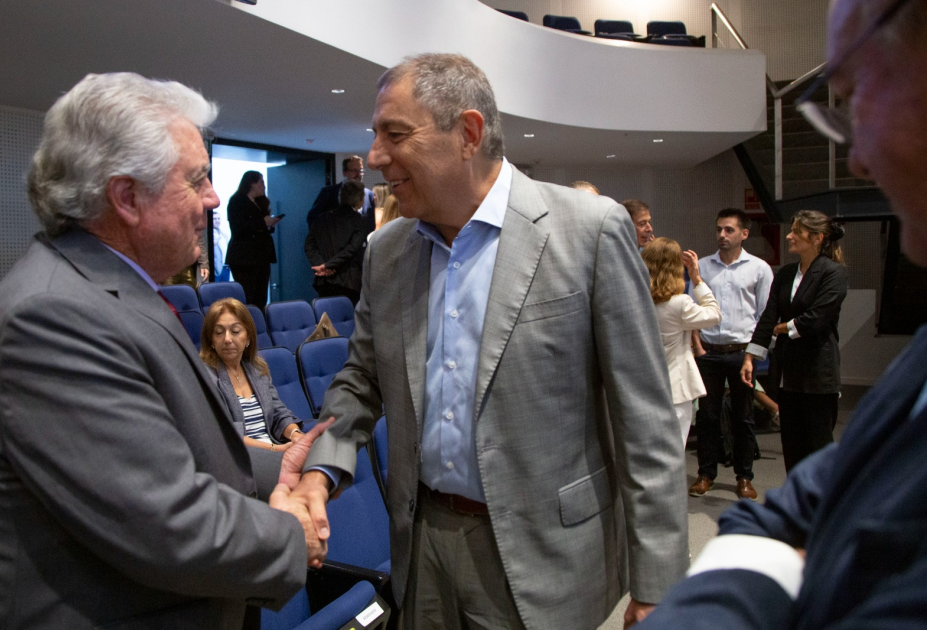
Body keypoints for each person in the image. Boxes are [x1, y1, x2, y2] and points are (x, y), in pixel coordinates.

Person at [293, 53, 688, 630]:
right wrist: (319, 470)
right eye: (375, 136)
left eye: (394, 134)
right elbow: (361, 380)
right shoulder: (388, 250)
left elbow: (646, 422)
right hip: (421, 545)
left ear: (468, 134)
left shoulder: (590, 230)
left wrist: (658, 583)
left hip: (544, 555)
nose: (374, 157)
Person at [0, 72, 330, 629]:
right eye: (196, 181)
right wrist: (294, 535)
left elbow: (175, 451)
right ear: (126, 198)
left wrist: (273, 468)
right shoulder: (50, 317)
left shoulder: (111, 290)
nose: (213, 199)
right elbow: (163, 520)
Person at [637, 0, 927, 626]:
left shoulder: (808, 273)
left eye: (856, 99)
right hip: (737, 359)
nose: (854, 160)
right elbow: (820, 490)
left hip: (792, 366)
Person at [741, 210, 848, 472]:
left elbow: (816, 319)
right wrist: (750, 356)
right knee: (792, 446)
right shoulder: (786, 273)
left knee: (818, 445)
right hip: (789, 373)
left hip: (818, 374)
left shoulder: (833, 273)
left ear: (816, 238)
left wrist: (782, 329)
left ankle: (820, 508)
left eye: (796, 232)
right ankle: (795, 505)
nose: (788, 236)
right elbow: (768, 316)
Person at [689, 208, 773, 500]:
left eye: (729, 230)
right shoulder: (702, 266)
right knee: (708, 417)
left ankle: (744, 476)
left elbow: (765, 316)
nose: (722, 236)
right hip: (708, 353)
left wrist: (754, 355)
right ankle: (705, 473)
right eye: (718, 230)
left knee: (744, 418)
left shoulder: (759, 268)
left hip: (742, 354)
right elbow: (692, 310)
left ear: (744, 234)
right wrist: (697, 346)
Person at [642, 238, 722, 445]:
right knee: (675, 449)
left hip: (645, 388)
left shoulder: (636, 301)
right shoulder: (680, 304)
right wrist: (697, 279)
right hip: (675, 388)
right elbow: (714, 314)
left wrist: (654, 250)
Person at [201, 297, 305, 451]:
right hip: (239, 458)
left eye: (235, 331)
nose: (227, 339)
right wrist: (276, 450)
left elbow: (278, 413)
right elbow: (225, 433)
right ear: (211, 340)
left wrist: (296, 435)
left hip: (272, 450)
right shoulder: (205, 375)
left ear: (248, 336)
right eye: (219, 332)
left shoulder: (257, 369)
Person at [304, 179, 367, 304]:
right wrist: (328, 266)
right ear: (359, 199)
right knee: (348, 321)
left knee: (326, 320)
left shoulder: (321, 218)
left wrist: (321, 265)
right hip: (349, 282)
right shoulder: (359, 221)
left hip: (324, 282)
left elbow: (309, 245)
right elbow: (351, 249)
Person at [225, 171, 280, 309]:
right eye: (261, 182)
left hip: (261, 256)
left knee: (261, 297)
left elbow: (259, 227)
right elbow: (238, 228)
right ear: (251, 183)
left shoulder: (260, 203)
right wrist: (262, 223)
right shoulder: (237, 201)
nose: (264, 186)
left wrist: (269, 224)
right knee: (247, 296)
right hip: (244, 257)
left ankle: (259, 327)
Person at [307, 155, 376, 234]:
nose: (358, 174)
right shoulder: (329, 192)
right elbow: (313, 217)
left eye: (360, 170)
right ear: (345, 172)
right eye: (354, 171)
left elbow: (371, 223)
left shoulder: (369, 195)